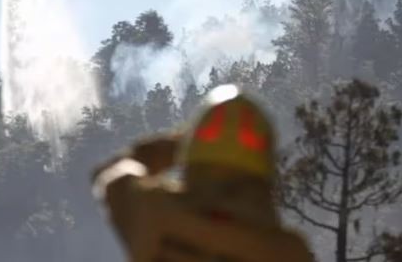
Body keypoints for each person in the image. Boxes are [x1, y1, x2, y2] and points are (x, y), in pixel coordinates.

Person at [92, 84, 315, 262]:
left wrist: (173, 146)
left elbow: (111, 177)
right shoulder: (288, 252)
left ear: (193, 153)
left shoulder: (154, 211)